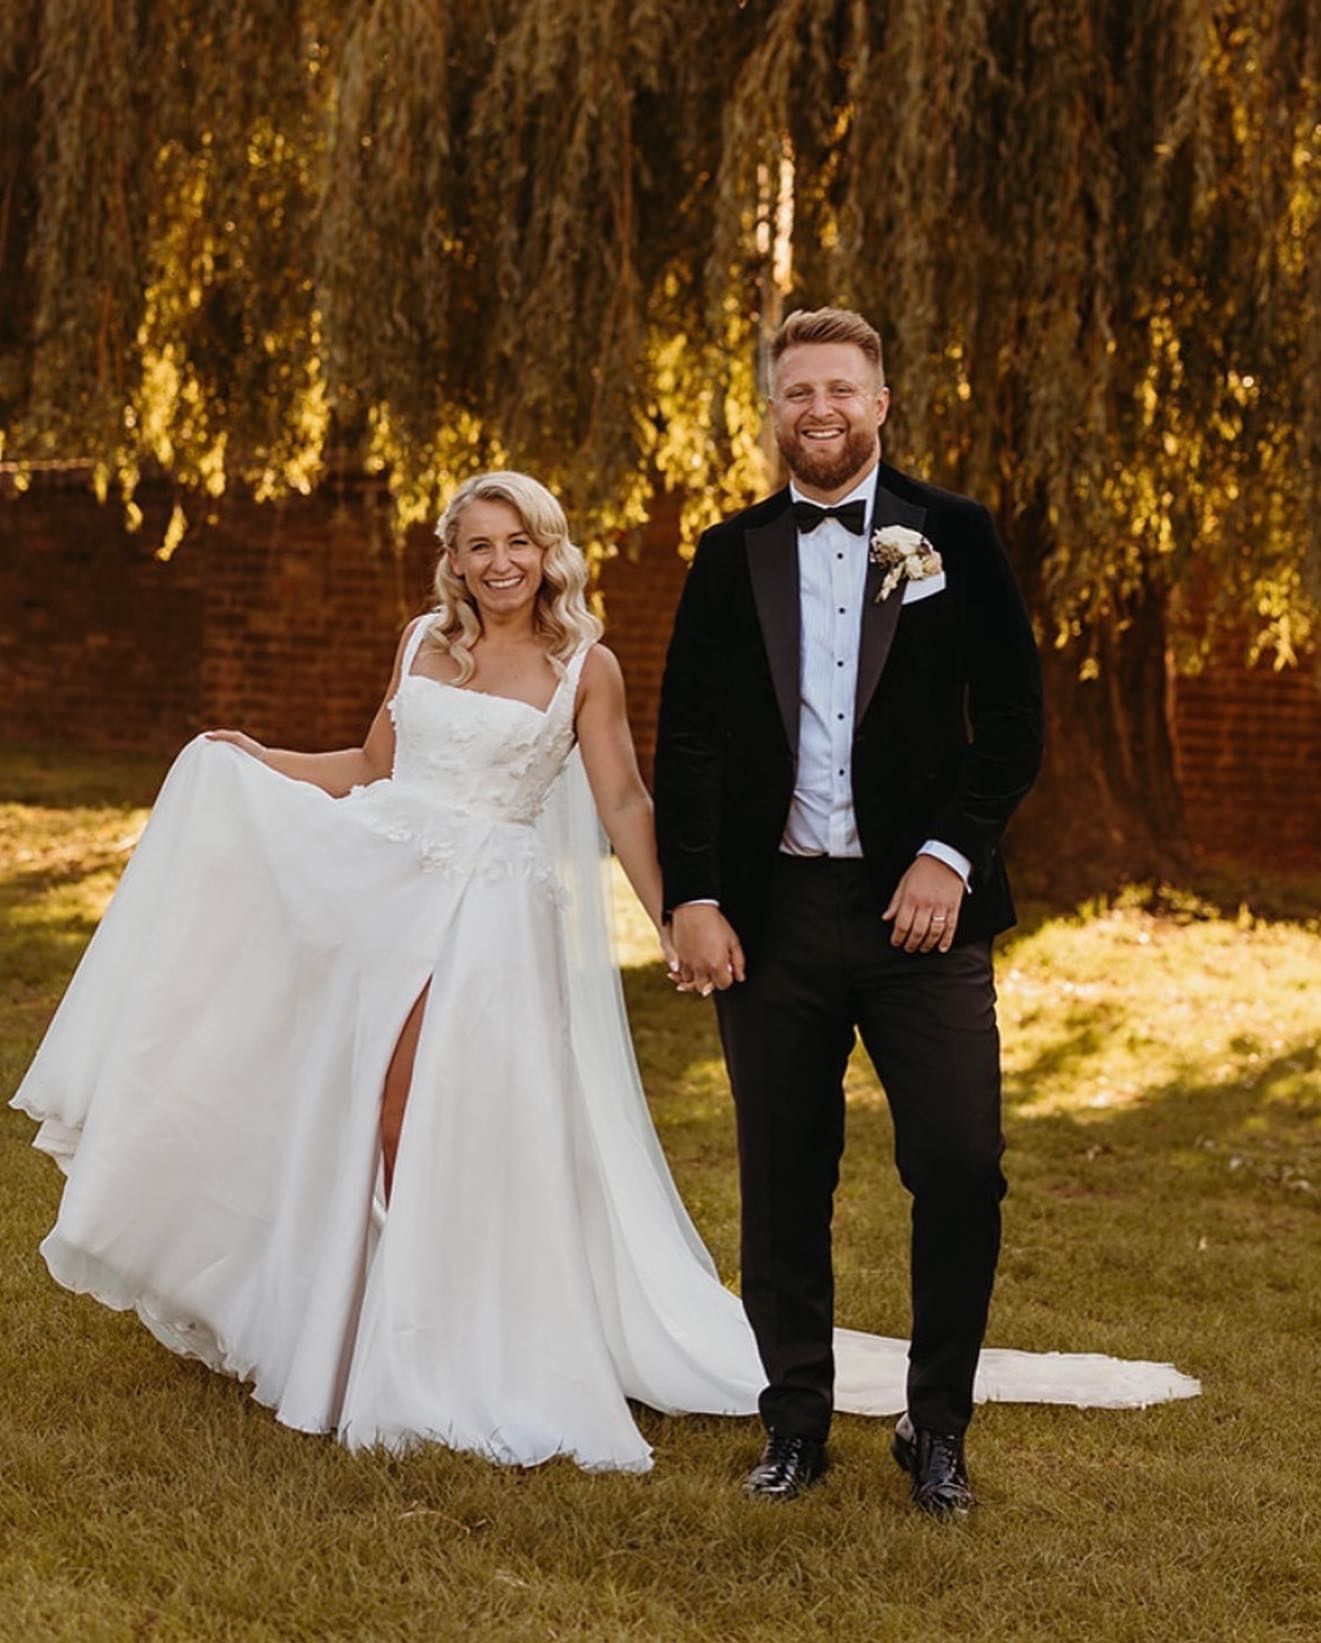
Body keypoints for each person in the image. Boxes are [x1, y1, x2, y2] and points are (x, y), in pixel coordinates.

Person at [13, 469, 1196, 1477]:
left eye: (514, 541)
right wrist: (260, 757)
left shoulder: (588, 664)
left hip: (485, 917)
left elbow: (627, 797)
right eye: (474, 545)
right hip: (380, 885)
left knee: (419, 1106)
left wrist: (682, 913)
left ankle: (432, 1339)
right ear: (454, 561)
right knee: (351, 1097)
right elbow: (372, 761)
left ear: (546, 550)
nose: (495, 561)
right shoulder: (423, 641)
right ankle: (342, 1319)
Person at [655, 306, 1045, 1511]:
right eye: (795, 392)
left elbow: (1015, 725)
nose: (817, 410)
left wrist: (946, 856)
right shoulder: (730, 554)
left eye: (839, 389)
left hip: (919, 920)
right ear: (772, 410)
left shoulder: (955, 536)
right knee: (781, 1174)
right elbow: (691, 742)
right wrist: (697, 897)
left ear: (880, 403)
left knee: (960, 1163)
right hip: (772, 921)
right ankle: (796, 1421)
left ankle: (936, 1427)